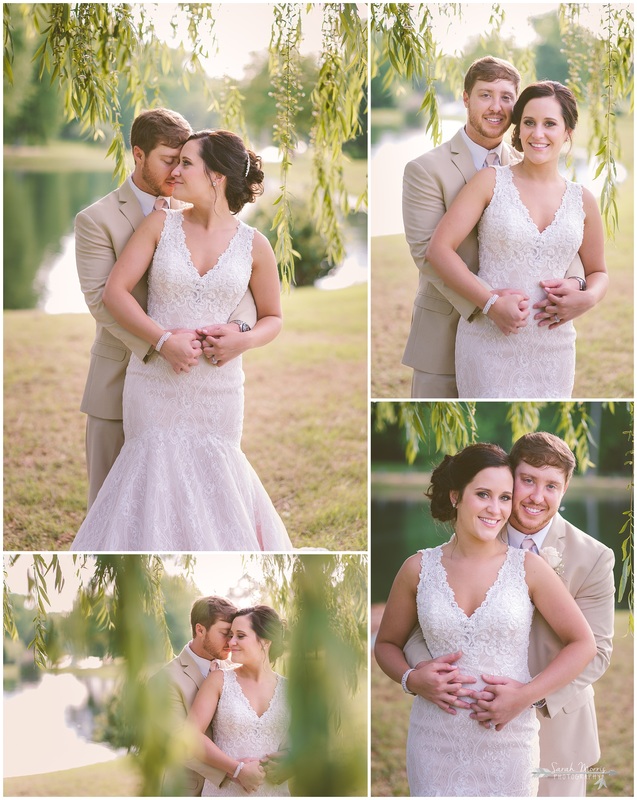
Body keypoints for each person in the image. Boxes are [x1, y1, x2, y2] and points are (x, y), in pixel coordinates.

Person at [71, 129, 292, 550]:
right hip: (154, 384)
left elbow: (273, 318)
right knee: (151, 476)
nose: (176, 170)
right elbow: (115, 293)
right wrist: (161, 340)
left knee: (215, 479)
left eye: (186, 162)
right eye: (175, 160)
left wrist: (242, 340)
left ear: (217, 176)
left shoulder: (255, 245)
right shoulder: (160, 223)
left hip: (219, 390)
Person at [375, 442, 597, 796]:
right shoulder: (417, 568)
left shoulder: (528, 568)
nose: (495, 509)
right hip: (434, 741)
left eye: (506, 497)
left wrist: (525, 695)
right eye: (483, 494)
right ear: (455, 496)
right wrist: (411, 678)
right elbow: (386, 644)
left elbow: (584, 643)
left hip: (508, 743)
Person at [402, 57, 589, 398]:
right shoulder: (425, 169)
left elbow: (554, 236)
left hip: (530, 331)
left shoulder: (525, 164)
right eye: (486, 95)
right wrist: (488, 303)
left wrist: (576, 281)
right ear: (466, 99)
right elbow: (427, 255)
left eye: (506, 97)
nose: (496, 107)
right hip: (447, 330)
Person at [188, 605, 291, 797]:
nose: (231, 642)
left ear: (265, 641)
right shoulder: (218, 680)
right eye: (230, 634)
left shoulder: (289, 690)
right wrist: (237, 770)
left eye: (240, 636)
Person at [153, 596, 239, 796]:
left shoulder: (235, 671)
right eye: (225, 633)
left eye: (234, 634)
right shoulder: (164, 680)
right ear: (200, 630)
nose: (231, 642)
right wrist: (234, 772)